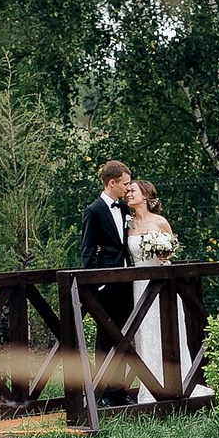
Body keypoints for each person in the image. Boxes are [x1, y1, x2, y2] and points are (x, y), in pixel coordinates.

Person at [123, 180, 210, 403]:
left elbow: (171, 251)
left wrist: (164, 256)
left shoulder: (160, 222)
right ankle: (150, 388)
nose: (128, 194)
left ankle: (179, 382)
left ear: (145, 194)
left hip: (163, 285)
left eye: (132, 190)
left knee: (169, 330)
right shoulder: (128, 224)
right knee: (145, 334)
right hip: (139, 285)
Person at [79, 161, 134, 406]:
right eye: (125, 183)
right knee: (105, 339)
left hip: (125, 284)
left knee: (123, 337)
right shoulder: (93, 211)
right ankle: (105, 393)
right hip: (105, 286)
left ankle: (120, 392)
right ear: (112, 183)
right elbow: (88, 252)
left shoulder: (124, 210)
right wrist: (96, 285)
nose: (128, 187)